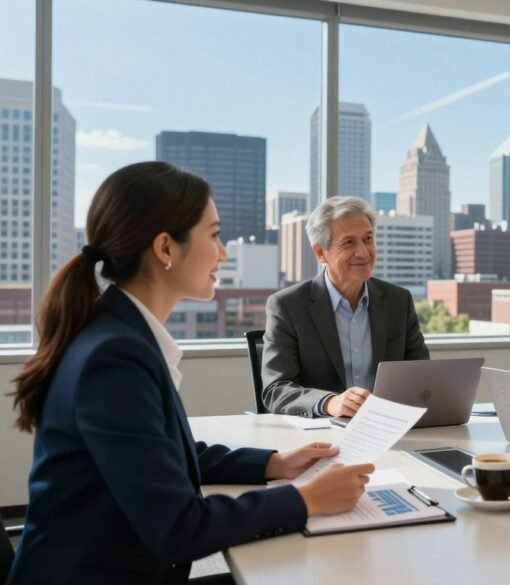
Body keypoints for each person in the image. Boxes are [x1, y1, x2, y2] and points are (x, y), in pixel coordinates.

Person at [6, 162, 374, 584]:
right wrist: (306, 499)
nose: (223, 252)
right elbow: (179, 527)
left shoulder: (118, 335)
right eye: (215, 235)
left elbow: (163, 456)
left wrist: (274, 463)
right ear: (165, 248)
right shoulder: (115, 358)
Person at [261, 196, 429, 418]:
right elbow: (276, 390)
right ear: (321, 253)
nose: (363, 252)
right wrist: (329, 403)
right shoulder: (287, 306)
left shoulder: (399, 301)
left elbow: (422, 376)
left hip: (388, 427)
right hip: (321, 434)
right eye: (349, 242)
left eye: (368, 238)